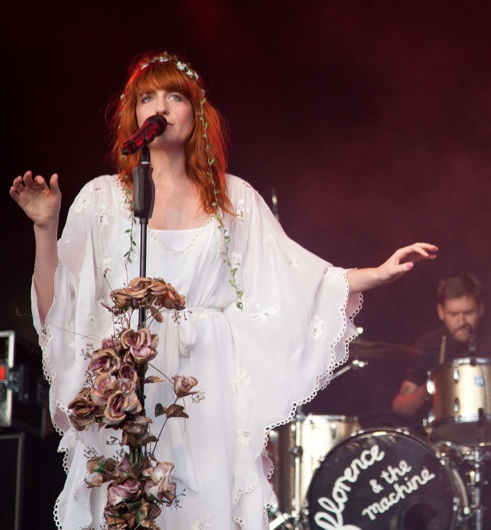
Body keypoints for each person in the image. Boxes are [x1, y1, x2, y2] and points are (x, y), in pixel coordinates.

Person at [9, 51, 437, 530]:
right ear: (133, 116)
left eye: (175, 96)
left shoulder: (233, 199)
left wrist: (375, 273)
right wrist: (45, 230)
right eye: (147, 97)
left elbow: (295, 277)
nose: (161, 107)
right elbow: (59, 313)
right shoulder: (102, 197)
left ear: (196, 113)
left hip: (206, 386)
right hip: (127, 384)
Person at [392, 273, 491, 419]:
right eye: (453, 314)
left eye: (468, 313)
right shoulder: (427, 345)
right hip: (443, 444)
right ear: (440, 312)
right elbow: (401, 407)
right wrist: (431, 386)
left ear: (481, 309)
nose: (461, 322)